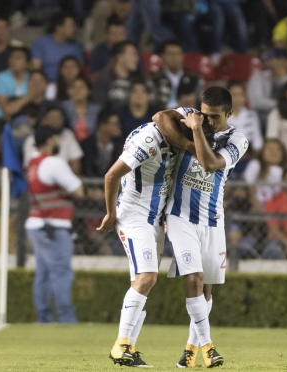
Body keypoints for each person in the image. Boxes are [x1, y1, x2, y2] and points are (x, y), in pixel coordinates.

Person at [154, 87, 249, 368]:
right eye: (204, 116)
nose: (207, 122)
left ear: (230, 114)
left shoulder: (238, 139)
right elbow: (160, 116)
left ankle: (190, 350)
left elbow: (209, 163)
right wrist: (192, 130)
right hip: (180, 216)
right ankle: (209, 347)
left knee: (206, 290)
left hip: (212, 220)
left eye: (215, 118)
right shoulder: (193, 117)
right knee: (193, 277)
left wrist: (192, 134)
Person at [96, 102, 182, 369]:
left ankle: (128, 349)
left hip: (154, 219)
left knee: (143, 283)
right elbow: (111, 176)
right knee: (147, 278)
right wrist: (110, 213)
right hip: (134, 217)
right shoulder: (148, 139)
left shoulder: (179, 126)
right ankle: (121, 345)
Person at [26, 126, 84, 324]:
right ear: (50, 140)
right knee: (61, 272)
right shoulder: (53, 163)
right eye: (58, 139)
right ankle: (67, 319)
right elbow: (77, 189)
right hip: (54, 226)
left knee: (43, 273)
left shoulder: (32, 163)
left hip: (37, 223)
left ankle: (44, 318)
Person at [22, 106, 84, 174]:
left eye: (59, 118)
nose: (55, 121)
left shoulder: (68, 134)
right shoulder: (32, 139)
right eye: (52, 118)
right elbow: (28, 168)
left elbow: (76, 161)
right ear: (43, 120)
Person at [248, 48, 287, 126]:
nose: (281, 62)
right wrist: (281, 104)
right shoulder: (258, 77)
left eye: (284, 59)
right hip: (261, 120)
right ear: (269, 61)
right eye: (277, 59)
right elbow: (256, 102)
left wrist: (284, 78)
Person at [31, 12, 84, 82]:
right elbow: (36, 69)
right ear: (59, 28)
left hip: (69, 86)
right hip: (46, 85)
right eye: (71, 26)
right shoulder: (41, 43)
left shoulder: (77, 46)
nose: (74, 28)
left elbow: (79, 71)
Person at [148, 40, 199, 110]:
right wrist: (177, 105)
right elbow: (151, 104)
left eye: (177, 54)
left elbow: (201, 101)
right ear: (164, 56)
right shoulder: (154, 79)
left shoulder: (193, 77)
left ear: (183, 56)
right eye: (171, 54)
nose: (174, 57)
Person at [93, 41, 141, 110]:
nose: (136, 58)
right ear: (120, 57)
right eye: (133, 54)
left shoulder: (137, 80)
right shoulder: (103, 79)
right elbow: (99, 106)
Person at [80, 107, 123, 178]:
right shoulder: (88, 144)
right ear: (103, 125)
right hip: (90, 186)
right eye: (115, 124)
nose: (119, 127)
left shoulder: (120, 144)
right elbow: (87, 168)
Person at [0, 46, 31, 120]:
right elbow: (4, 107)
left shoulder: (32, 78)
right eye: (11, 57)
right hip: (3, 119)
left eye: (18, 58)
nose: (12, 60)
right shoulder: (1, 77)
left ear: (27, 63)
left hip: (27, 118)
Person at [61, 77, 101, 142]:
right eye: (74, 87)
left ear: (89, 91)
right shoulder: (64, 107)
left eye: (81, 87)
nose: (77, 90)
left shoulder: (97, 110)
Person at [227, 81, 263, 154]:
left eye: (240, 95)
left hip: (249, 155)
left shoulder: (252, 115)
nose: (237, 98)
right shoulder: (221, 116)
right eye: (234, 95)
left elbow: (257, 139)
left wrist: (255, 152)